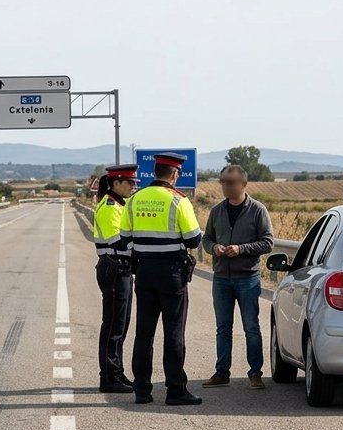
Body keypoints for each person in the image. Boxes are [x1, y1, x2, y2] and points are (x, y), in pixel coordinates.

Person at [120, 152, 203, 405]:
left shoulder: (135, 199)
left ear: (155, 173)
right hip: (171, 275)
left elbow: (124, 237)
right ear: (175, 174)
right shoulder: (179, 201)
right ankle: (175, 390)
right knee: (173, 332)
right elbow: (193, 239)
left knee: (144, 333)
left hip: (144, 272)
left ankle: (142, 390)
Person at [200, 164, 275, 390]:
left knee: (251, 327)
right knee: (223, 328)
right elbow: (206, 239)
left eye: (230, 182)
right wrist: (215, 248)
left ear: (243, 184)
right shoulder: (217, 211)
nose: (225, 186)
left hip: (247, 278)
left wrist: (241, 249)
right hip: (222, 277)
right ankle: (222, 373)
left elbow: (268, 242)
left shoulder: (258, 210)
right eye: (222, 181)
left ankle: (255, 374)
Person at [93, 164, 138, 394]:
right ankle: (109, 377)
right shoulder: (110, 207)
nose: (133, 186)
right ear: (116, 183)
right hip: (113, 268)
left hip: (121, 270)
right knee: (113, 326)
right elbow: (118, 241)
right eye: (129, 182)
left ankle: (117, 372)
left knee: (121, 324)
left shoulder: (120, 204)